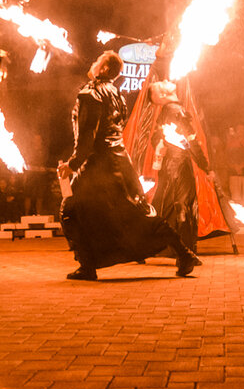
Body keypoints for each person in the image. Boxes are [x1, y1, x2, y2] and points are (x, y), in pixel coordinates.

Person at [57, 51, 198, 280]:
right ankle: (183, 252)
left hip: (98, 166)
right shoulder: (117, 95)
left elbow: (88, 135)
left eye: (97, 61)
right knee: (138, 212)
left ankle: (87, 266)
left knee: (69, 210)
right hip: (121, 163)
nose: (93, 62)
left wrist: (73, 164)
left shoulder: (90, 94)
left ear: (104, 69)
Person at [148, 80, 209, 257]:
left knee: (171, 207)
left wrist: (160, 144)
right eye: (160, 85)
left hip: (170, 166)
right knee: (184, 208)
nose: (166, 81)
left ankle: (165, 248)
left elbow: (156, 138)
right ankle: (186, 252)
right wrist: (206, 166)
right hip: (179, 165)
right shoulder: (176, 110)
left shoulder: (167, 111)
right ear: (162, 95)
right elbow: (190, 141)